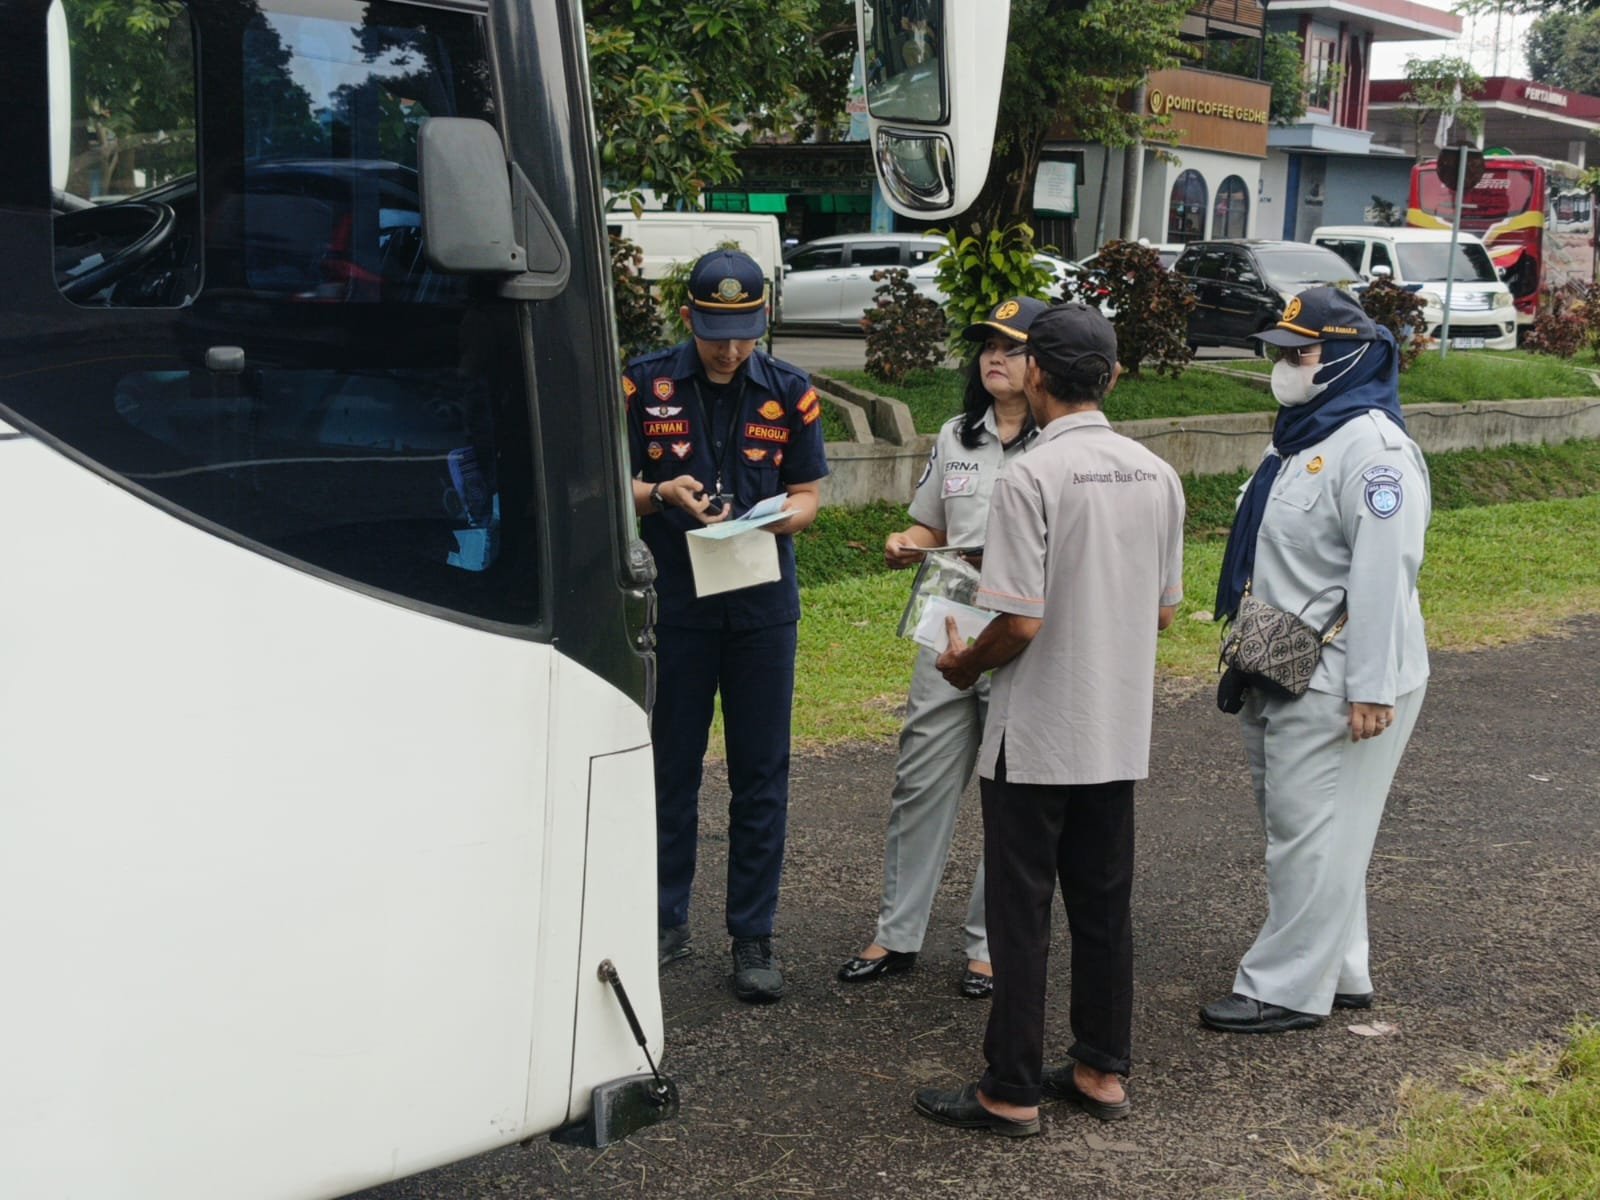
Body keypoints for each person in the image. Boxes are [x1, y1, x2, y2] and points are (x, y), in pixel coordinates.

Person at [911, 303, 1185, 1136]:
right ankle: (1102, 1069)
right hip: (1117, 725)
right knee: (1105, 908)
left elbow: (1020, 621)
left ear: (1036, 375)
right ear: (1113, 376)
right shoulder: (1156, 472)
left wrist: (962, 662)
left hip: (1034, 732)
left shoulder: (1032, 476)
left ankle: (1011, 1088)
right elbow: (1166, 612)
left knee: (1019, 913)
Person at [1199, 287, 1430, 1034]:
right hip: (1280, 657)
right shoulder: (1300, 437)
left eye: (1299, 353)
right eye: (1280, 352)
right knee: (1314, 827)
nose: (1284, 365)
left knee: (1310, 830)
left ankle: (1286, 987)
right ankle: (1344, 966)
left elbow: (1382, 575)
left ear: (1344, 359)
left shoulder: (1376, 451)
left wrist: (1372, 687)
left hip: (1343, 673)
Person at [624, 249, 829, 1004]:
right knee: (667, 766)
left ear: (763, 320)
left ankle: (753, 933)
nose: (730, 348)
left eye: (744, 331)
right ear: (689, 319)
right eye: (716, 332)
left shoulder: (791, 392)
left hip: (760, 610)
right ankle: (662, 916)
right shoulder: (642, 385)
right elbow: (604, 483)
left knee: (760, 773)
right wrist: (657, 493)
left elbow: (807, 495)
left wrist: (777, 519)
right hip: (676, 605)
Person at [838, 297, 1045, 1000]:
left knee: (1008, 790)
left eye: (1012, 348)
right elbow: (929, 526)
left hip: (1021, 637)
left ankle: (988, 946)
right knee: (920, 779)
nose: (996, 357)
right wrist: (907, 544)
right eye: (988, 344)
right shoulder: (959, 435)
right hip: (948, 624)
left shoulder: (1059, 444)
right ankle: (897, 934)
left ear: (1041, 362)